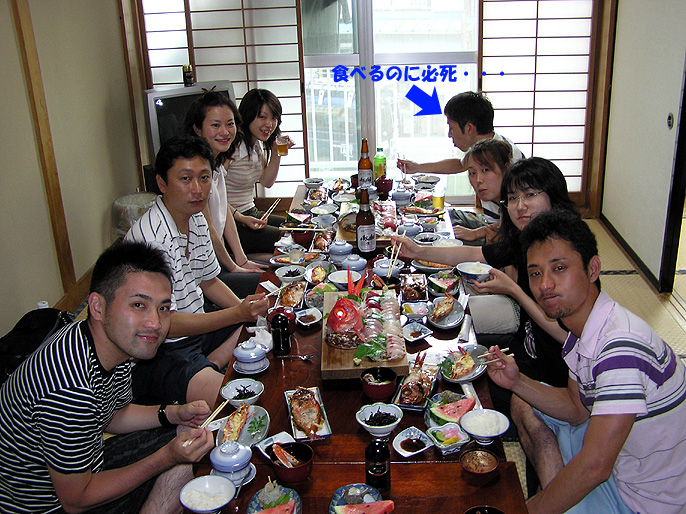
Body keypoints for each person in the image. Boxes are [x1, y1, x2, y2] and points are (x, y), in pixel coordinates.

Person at [486, 209, 686, 514]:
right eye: (536, 273)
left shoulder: (620, 349)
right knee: (524, 402)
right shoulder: (588, 328)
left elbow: (595, 467)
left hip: (643, 500)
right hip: (620, 462)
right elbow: (577, 409)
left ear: (593, 269)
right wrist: (517, 382)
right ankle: (558, 497)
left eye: (559, 268)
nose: (545, 284)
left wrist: (527, 511)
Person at [0, 241, 216, 514]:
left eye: (163, 308)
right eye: (138, 305)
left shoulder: (110, 344)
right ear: (97, 306)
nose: (155, 323)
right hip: (49, 506)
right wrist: (166, 457)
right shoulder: (69, 387)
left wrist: (173, 413)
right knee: (182, 461)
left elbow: (114, 414)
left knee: (192, 436)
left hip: (87, 467)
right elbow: (75, 500)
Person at [126, 136, 269, 407]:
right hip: (159, 348)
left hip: (196, 329)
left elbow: (209, 281)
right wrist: (237, 313)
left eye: (204, 178)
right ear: (162, 183)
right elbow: (166, 324)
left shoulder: (196, 219)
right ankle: (201, 371)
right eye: (185, 179)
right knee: (241, 402)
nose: (197, 189)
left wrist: (245, 311)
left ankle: (211, 361)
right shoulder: (153, 240)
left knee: (264, 325)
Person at [184, 90, 266, 297]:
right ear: (198, 129)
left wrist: (241, 260)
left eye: (230, 124)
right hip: (202, 273)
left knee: (274, 270)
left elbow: (224, 211)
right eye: (215, 125)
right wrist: (233, 267)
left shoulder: (216, 164)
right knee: (268, 284)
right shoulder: (197, 174)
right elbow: (209, 230)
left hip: (218, 259)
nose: (225, 132)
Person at [227, 88, 294, 254]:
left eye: (273, 118)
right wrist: (241, 218)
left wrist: (276, 152)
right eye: (262, 117)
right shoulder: (232, 148)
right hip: (232, 221)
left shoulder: (257, 144)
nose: (269, 124)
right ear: (248, 116)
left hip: (251, 212)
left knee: (296, 228)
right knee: (289, 240)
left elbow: (266, 181)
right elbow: (213, 196)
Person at [397, 91, 524, 176]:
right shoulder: (484, 148)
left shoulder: (507, 156)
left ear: (469, 128)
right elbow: (460, 164)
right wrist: (418, 167)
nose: (449, 134)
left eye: (451, 128)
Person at [452, 138, 513, 245]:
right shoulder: (496, 196)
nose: (478, 180)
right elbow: (502, 224)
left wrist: (476, 234)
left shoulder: (518, 201)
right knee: (451, 215)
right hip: (489, 225)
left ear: (506, 168)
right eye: (472, 173)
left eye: (486, 170)